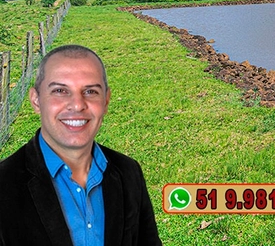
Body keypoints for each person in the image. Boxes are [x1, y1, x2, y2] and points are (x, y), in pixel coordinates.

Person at [0, 44, 162, 246]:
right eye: (60, 90)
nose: (77, 105)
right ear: (36, 100)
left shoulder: (129, 172)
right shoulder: (4, 184)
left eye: (91, 91)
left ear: (106, 101)